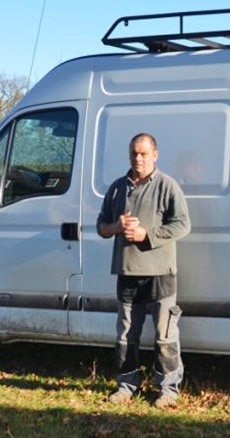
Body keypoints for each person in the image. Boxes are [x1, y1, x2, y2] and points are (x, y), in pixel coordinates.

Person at [97, 133, 191, 409]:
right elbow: (101, 226)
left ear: (155, 155)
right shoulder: (117, 188)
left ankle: (168, 390)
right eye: (134, 154)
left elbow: (183, 225)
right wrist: (116, 227)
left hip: (161, 273)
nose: (138, 158)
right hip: (127, 272)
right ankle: (127, 385)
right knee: (126, 335)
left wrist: (145, 235)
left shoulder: (167, 185)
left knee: (165, 335)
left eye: (144, 153)